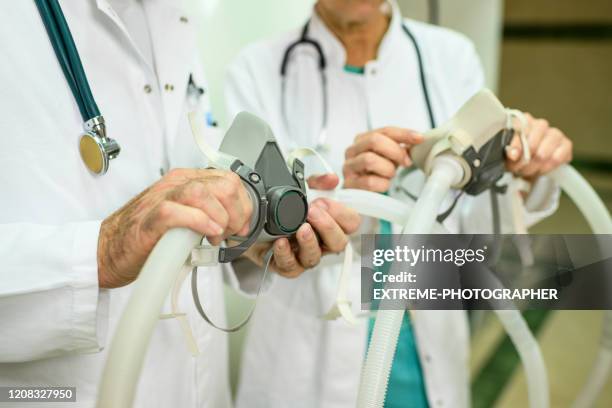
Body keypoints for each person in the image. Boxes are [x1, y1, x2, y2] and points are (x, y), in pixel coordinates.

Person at [0, 1, 359, 407]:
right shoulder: (256, 64)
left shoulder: (174, 17)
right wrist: (102, 251)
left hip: (206, 383)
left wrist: (248, 234)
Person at [225, 0, 573, 407]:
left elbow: (475, 227)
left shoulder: (451, 57)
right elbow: (246, 233)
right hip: (306, 364)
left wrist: (524, 175)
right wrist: (339, 196)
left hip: (425, 352)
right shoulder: (255, 69)